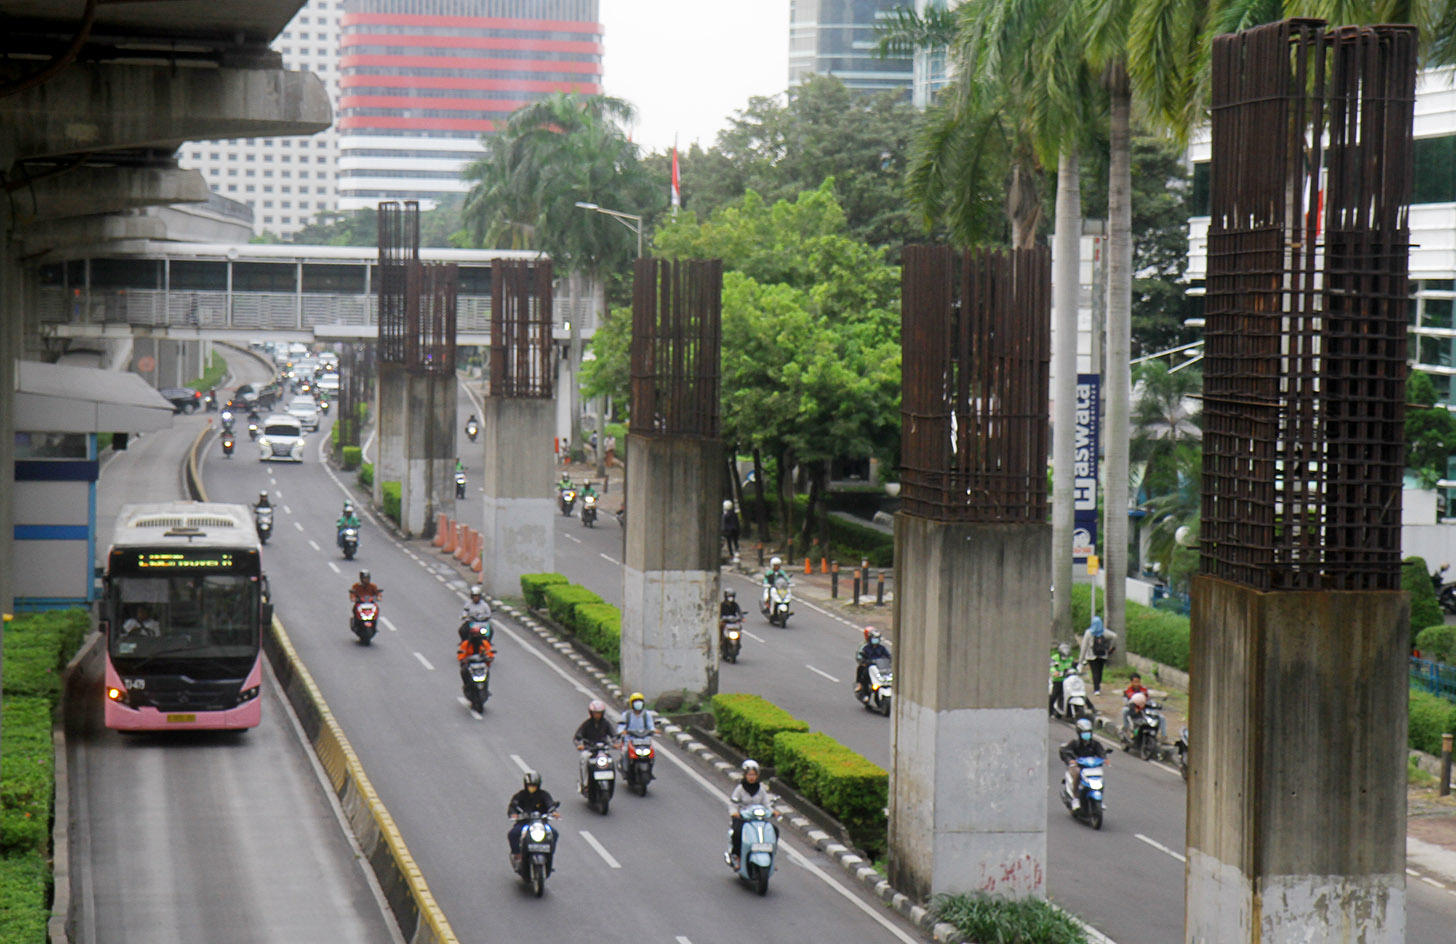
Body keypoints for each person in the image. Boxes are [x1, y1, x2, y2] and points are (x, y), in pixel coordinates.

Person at [727, 759, 777, 868]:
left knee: (774, 831)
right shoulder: (740, 789)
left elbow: (767, 804)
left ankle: (771, 857)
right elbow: (733, 804)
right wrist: (735, 813)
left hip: (758, 819)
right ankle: (737, 857)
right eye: (749, 775)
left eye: (754, 775)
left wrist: (773, 812)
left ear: (757, 776)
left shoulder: (761, 789)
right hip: (743, 819)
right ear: (745, 775)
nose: (751, 777)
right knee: (737, 833)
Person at [507, 771, 557, 866]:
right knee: (513, 834)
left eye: (534, 786)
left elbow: (550, 804)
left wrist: (553, 812)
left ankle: (549, 854)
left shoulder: (544, 795)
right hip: (524, 823)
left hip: (541, 824)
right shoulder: (520, 795)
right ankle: (517, 855)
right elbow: (513, 806)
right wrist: (514, 814)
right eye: (530, 786)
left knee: (554, 833)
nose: (532, 788)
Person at [1058, 717, 1109, 810]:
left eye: (1088, 732)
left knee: (1100, 778)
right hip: (1077, 767)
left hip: (1090, 767)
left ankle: (1100, 798)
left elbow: (1101, 752)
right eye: (1084, 732)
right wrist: (1070, 760)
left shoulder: (1095, 744)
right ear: (1079, 732)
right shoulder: (1074, 743)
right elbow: (1065, 752)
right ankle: (1076, 798)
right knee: (1077, 773)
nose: (1087, 734)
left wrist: (1104, 758)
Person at [573, 699, 617, 784]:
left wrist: (615, 743)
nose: (597, 715)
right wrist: (579, 745)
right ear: (591, 713)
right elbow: (577, 737)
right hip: (590, 749)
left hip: (603, 749)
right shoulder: (586, 724)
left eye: (599, 713)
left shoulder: (606, 723)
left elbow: (613, 735)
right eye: (595, 713)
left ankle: (610, 782)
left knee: (610, 761)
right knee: (584, 758)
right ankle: (585, 783)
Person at [1078, 614, 1117, 695]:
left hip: (1091, 656)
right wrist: (1110, 647)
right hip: (1102, 655)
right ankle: (1098, 685)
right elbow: (1114, 636)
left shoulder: (1089, 633)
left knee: (1094, 671)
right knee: (1099, 671)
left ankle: (1096, 689)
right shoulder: (1104, 632)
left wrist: (1081, 660)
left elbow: (1084, 646)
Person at [456, 621, 494, 700]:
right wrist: (463, 659)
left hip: (481, 664)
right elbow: (461, 654)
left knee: (487, 673)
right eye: (474, 634)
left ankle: (485, 688)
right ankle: (466, 685)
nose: (475, 636)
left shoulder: (485, 643)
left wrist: (489, 658)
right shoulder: (466, 644)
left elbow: (489, 653)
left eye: (477, 634)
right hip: (470, 665)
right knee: (463, 671)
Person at [854, 627, 891, 696]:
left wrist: (890, 660)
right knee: (863, 672)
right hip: (870, 666)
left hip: (880, 666)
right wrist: (863, 661)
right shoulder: (866, 648)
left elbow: (888, 656)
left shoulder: (882, 648)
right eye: (874, 639)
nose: (875, 641)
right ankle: (862, 687)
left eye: (877, 639)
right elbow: (861, 656)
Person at [1049, 642, 1077, 717]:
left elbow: (1074, 667)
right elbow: (1051, 666)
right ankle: (1050, 712)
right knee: (1054, 695)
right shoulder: (1055, 658)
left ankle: (1091, 708)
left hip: (1068, 681)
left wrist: (1076, 670)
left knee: (1076, 693)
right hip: (1058, 681)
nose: (1065, 658)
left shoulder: (1071, 659)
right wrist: (1054, 672)